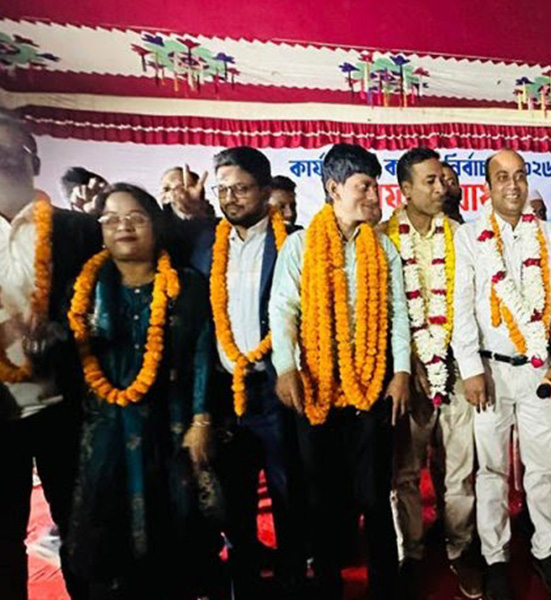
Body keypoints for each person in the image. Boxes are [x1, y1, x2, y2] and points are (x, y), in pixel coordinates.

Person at [65, 183, 220, 599]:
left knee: (176, 530)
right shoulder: (84, 288)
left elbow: (202, 353)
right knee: (108, 537)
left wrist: (201, 419)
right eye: (112, 219)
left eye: (136, 217)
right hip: (106, 430)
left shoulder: (185, 286)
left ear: (156, 225)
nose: (124, 227)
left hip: (170, 426)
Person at [270, 143, 411, 600]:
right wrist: (286, 367)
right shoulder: (300, 245)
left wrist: (402, 372)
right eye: (363, 186)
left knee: (374, 495)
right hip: (316, 387)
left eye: (375, 186)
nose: (374, 196)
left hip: (372, 386)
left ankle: (385, 588)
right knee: (321, 497)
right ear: (334, 188)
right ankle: (327, 585)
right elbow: (283, 309)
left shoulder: (382, 247)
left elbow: (398, 314)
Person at [451, 149, 551, 600]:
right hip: (490, 370)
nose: (513, 185)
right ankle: (496, 557)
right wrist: (470, 369)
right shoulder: (470, 236)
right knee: (491, 469)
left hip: (539, 369)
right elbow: (462, 306)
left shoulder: (550, 235)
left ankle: (546, 549)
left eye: (519, 175)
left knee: (543, 466)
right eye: (502, 177)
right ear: (487, 187)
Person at [187, 146, 306, 597]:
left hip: (276, 389)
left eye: (241, 188)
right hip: (225, 393)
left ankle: (293, 582)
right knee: (234, 503)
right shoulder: (203, 243)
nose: (231, 198)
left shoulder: (292, 241)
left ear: (265, 189)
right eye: (223, 190)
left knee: (288, 494)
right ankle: (246, 586)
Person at [0, 109, 101, 600]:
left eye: (12, 149)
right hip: (1, 409)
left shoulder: (77, 229)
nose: (3, 158)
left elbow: (100, 305)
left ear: (35, 159)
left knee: (81, 530)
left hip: (66, 405)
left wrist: (61, 331)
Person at [382, 148, 481, 599]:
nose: (442, 188)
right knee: (405, 472)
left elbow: (470, 306)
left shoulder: (461, 235)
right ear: (405, 189)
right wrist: (412, 362)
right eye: (430, 181)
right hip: (407, 373)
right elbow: (385, 313)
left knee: (459, 468)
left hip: (457, 367)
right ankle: (412, 553)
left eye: (443, 179)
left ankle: (461, 548)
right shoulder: (384, 238)